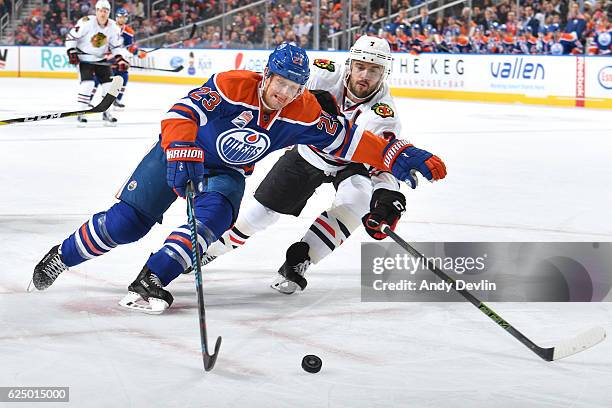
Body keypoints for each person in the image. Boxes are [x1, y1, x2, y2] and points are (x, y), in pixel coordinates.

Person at [31, 43, 447, 314]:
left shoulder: (302, 110)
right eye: (279, 83)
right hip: (175, 153)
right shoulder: (232, 84)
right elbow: (182, 112)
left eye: (294, 87)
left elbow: (351, 142)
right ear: (266, 75)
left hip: (225, 171)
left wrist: (400, 155)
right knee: (127, 225)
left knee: (213, 220)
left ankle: (153, 277)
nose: (284, 94)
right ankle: (60, 257)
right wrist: (181, 148)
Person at [202, 36, 435, 294]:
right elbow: (273, 87)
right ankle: (211, 250)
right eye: (360, 66)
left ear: (385, 72)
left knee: (358, 198)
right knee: (258, 216)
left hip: (351, 162)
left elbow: (383, 160)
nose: (364, 75)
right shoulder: (321, 75)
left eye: (374, 69)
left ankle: (300, 259)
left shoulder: (384, 114)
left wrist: (386, 196)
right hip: (309, 152)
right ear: (349, 64)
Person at [65, 0, 129, 125]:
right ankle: (80, 113)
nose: (103, 13)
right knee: (87, 85)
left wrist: (120, 58)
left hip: (101, 60)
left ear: (109, 12)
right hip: (85, 60)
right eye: (100, 10)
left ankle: (107, 113)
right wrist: (71, 51)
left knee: (109, 87)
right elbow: (71, 37)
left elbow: (115, 46)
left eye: (105, 11)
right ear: (96, 11)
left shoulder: (113, 27)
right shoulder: (86, 22)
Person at [92, 8, 146, 110]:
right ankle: (88, 100)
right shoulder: (108, 27)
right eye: (120, 17)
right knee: (98, 78)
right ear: (116, 17)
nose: (122, 19)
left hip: (118, 58)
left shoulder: (129, 31)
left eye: (124, 17)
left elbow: (129, 46)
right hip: (106, 57)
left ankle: (116, 100)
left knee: (123, 77)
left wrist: (138, 52)